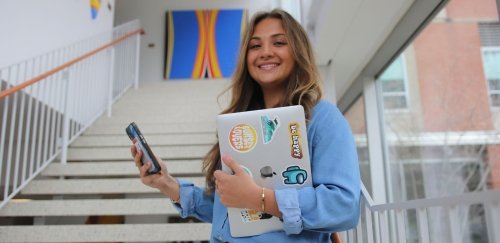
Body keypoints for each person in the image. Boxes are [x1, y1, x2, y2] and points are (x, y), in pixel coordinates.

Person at [131, 9, 360, 242]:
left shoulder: (322, 118)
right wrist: (168, 184)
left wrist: (260, 198)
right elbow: (231, 211)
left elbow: (343, 206)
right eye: (255, 46)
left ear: (298, 51)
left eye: (279, 42)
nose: (266, 53)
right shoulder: (239, 124)